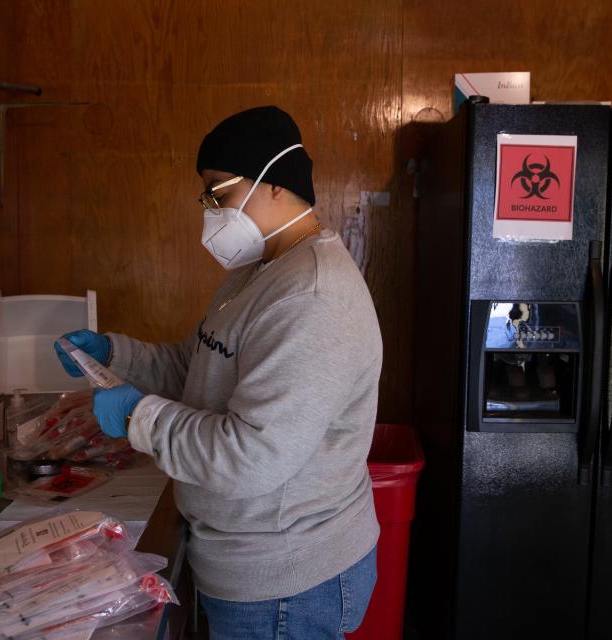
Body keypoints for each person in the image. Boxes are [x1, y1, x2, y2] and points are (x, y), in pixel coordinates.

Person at [54, 106, 383, 639]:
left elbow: (252, 456)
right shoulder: (257, 275)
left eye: (217, 193)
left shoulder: (312, 297)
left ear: (274, 182)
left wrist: (139, 415)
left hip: (285, 582)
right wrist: (112, 355)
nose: (208, 210)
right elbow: (197, 365)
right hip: (249, 563)